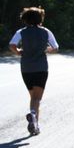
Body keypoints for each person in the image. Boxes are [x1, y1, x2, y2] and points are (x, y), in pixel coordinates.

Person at [9, 7, 59, 135]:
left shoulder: (21, 32)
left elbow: (12, 45)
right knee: (37, 98)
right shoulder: (46, 32)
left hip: (26, 69)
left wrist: (19, 52)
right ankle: (33, 116)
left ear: (25, 19)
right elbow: (55, 47)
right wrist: (47, 50)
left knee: (33, 97)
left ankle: (35, 124)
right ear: (40, 18)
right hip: (41, 68)